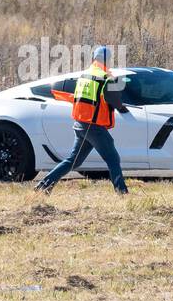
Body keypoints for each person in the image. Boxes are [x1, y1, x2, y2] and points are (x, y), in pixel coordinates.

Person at [35, 46, 129, 195]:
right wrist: (123, 108)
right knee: (113, 159)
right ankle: (122, 193)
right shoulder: (106, 78)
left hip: (81, 124)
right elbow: (115, 101)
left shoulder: (84, 76)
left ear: (94, 58)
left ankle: (43, 186)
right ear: (108, 60)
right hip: (95, 127)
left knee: (73, 161)